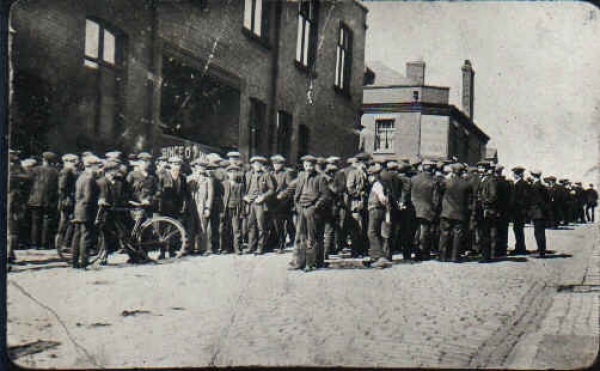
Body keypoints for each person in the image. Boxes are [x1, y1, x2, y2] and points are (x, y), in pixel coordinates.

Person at [289, 155, 330, 271]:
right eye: (306, 165)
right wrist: (297, 206)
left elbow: (325, 195)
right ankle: (298, 262)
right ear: (303, 165)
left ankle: (310, 263)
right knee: (299, 236)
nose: (308, 168)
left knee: (311, 237)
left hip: (312, 209)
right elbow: (295, 191)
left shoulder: (320, 178)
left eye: (310, 165)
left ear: (314, 166)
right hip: (301, 208)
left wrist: (315, 207)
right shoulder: (301, 176)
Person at [71, 155, 102, 269]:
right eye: (96, 166)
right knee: (86, 236)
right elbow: (89, 197)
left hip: (78, 209)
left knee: (77, 235)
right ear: (91, 166)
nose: (98, 168)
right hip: (86, 210)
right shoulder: (89, 179)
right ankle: (84, 262)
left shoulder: (81, 177)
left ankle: (74, 261)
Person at [439, 163, 471, 262]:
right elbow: (469, 200)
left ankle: (443, 256)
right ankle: (455, 256)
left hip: (447, 211)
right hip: (460, 212)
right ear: (462, 172)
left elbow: (439, 193)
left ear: (453, 171)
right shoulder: (467, 184)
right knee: (458, 235)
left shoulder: (446, 182)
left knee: (445, 233)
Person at [243, 156, 276, 255]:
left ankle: (260, 247)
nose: (257, 166)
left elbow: (271, 189)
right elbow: (243, 188)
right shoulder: (248, 175)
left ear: (262, 165)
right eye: (255, 164)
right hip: (250, 203)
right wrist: (245, 196)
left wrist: (263, 197)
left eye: (259, 164)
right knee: (250, 225)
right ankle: (251, 246)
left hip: (260, 203)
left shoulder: (266, 175)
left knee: (261, 225)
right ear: (252, 165)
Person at [27, 151, 60, 249]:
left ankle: (34, 244)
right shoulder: (55, 172)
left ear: (43, 159)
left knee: (35, 222)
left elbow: (29, 182)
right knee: (47, 221)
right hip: (48, 200)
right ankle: (44, 244)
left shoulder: (35, 170)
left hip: (35, 199)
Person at [410, 159, 438, 261]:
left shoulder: (413, 179)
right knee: (424, 232)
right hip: (427, 209)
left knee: (415, 231)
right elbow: (436, 198)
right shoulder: (434, 181)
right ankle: (422, 253)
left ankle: (415, 251)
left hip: (414, 208)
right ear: (433, 169)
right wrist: (435, 209)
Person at [367, 162, 392, 269]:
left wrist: (383, 206)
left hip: (375, 209)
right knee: (377, 233)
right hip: (380, 210)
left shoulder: (377, 184)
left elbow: (382, 198)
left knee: (371, 233)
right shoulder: (383, 183)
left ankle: (379, 257)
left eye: (370, 175)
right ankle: (375, 257)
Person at [187, 159, 215, 255]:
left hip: (202, 206)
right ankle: (190, 248)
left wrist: (208, 208)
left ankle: (202, 249)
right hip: (191, 206)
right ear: (196, 167)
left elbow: (210, 195)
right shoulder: (189, 178)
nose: (202, 168)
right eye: (200, 166)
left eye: (204, 167)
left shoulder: (208, 180)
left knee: (202, 227)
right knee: (191, 227)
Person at [346, 153, 370, 257]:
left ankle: (362, 250)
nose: (367, 165)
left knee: (363, 228)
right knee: (356, 228)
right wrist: (359, 193)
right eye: (366, 162)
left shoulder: (365, 173)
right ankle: (355, 251)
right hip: (356, 204)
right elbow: (349, 188)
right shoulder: (353, 173)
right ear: (361, 162)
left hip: (364, 204)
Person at [270, 155, 295, 253]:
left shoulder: (286, 174)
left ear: (282, 164)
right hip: (272, 201)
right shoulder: (271, 173)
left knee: (280, 224)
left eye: (278, 164)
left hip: (283, 202)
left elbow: (290, 187)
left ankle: (281, 243)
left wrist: (282, 195)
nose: (276, 165)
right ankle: (274, 242)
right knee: (274, 223)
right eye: (274, 163)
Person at [56, 154, 80, 250]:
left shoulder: (69, 171)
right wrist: (68, 195)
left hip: (68, 199)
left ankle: (63, 242)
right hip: (68, 200)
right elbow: (62, 187)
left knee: (67, 220)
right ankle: (64, 243)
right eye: (75, 161)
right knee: (68, 221)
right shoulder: (67, 171)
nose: (77, 163)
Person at [222, 164, 246, 255]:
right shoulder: (224, 184)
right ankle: (227, 248)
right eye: (230, 172)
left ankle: (237, 248)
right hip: (226, 209)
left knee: (236, 229)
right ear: (227, 174)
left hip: (236, 208)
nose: (232, 174)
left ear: (237, 174)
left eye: (235, 172)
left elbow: (242, 198)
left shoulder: (240, 185)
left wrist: (242, 211)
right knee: (226, 229)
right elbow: (221, 197)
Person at [529, 170, 549, 257]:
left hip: (537, 212)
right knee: (541, 232)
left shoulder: (535, 186)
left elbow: (538, 200)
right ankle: (541, 250)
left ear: (533, 176)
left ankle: (541, 252)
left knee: (538, 232)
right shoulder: (543, 186)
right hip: (541, 212)